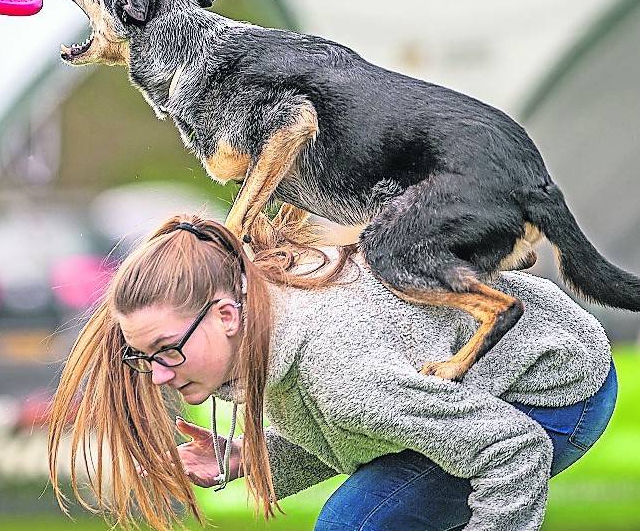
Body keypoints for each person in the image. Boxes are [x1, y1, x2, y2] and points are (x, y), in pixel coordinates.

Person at [47, 208, 617, 531]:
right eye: (142, 357)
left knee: (357, 523)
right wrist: (249, 455)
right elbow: (346, 430)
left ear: (224, 314)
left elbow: (514, 450)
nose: (159, 375)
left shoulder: (340, 368)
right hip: (463, 391)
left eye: (167, 349)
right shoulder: (262, 331)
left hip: (554, 387)